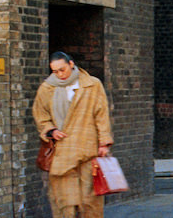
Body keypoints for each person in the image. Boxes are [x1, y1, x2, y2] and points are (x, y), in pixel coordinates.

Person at [32, 51, 114, 218]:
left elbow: (101, 115)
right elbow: (41, 115)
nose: (59, 74)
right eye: (54, 71)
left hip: (88, 150)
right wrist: (51, 130)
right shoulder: (47, 88)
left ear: (71, 64)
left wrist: (104, 143)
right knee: (64, 200)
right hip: (62, 152)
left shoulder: (92, 85)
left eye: (62, 69)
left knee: (90, 200)